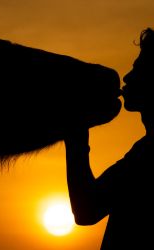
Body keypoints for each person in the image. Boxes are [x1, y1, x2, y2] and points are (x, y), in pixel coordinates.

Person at [64, 27, 154, 249]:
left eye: (138, 70)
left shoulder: (149, 156)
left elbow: (86, 210)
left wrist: (75, 133)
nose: (127, 77)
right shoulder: (144, 150)